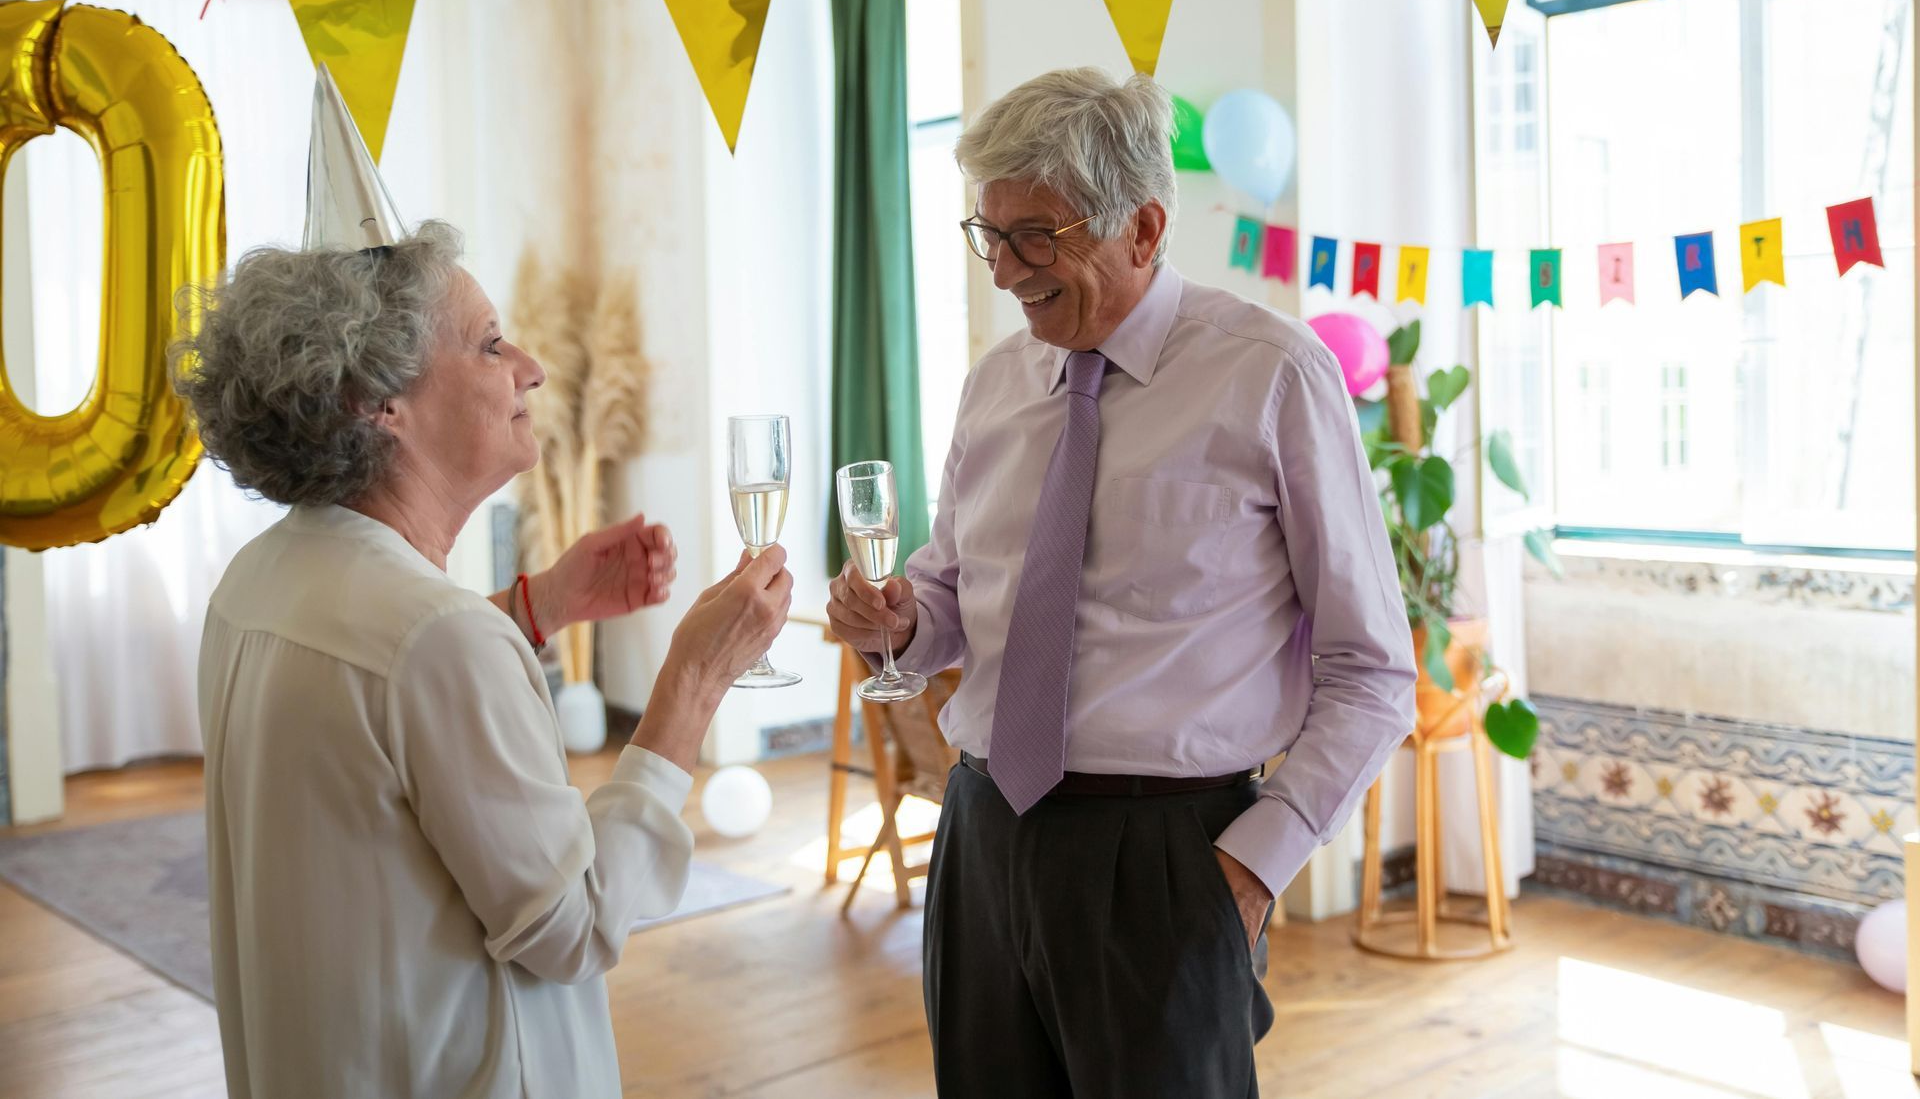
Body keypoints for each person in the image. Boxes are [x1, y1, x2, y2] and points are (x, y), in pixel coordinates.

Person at [827, 67, 1417, 1097]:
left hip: (1169, 857)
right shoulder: (996, 383)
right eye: (989, 233)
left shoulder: (1272, 375)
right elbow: (951, 597)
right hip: (982, 840)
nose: (1006, 271)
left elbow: (1372, 670)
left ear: (1143, 227)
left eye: (1036, 237)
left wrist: (1252, 866)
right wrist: (898, 619)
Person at [172, 220, 793, 1099]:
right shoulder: (434, 637)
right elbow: (574, 926)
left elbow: (382, 696)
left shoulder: (260, 579)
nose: (530, 366)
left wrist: (542, 605)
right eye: (489, 342)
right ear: (376, 399)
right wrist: (693, 683)